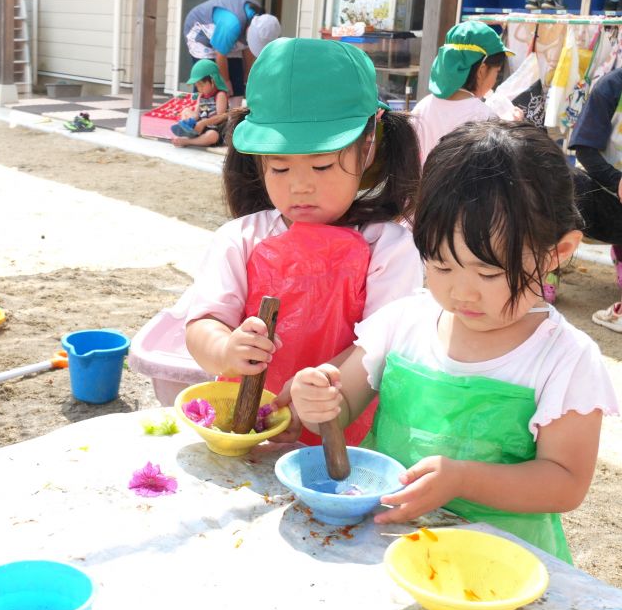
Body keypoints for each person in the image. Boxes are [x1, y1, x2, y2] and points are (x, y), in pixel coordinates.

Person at [288, 120, 618, 563]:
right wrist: (317, 399)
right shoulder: (405, 321)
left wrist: (462, 479)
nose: (462, 292)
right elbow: (340, 404)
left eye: (488, 272)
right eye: (441, 265)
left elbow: (565, 482)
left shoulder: (565, 358)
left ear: (558, 251)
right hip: (393, 548)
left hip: (501, 568)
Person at [183, 38, 423, 446]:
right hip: (248, 434)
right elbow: (201, 325)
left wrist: (317, 393)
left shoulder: (390, 247)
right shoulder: (241, 238)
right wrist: (225, 348)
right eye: (279, 166)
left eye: (322, 164)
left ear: (368, 147)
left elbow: (382, 347)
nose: (300, 186)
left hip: (347, 438)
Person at [410, 20, 514, 164]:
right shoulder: (485, 117)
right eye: (497, 72)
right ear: (482, 70)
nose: (495, 80)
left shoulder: (422, 107)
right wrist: (509, 129)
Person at [568, 65, 622, 332]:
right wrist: (617, 180)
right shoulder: (610, 87)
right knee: (566, 183)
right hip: (606, 193)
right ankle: (548, 272)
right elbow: (585, 150)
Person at [183, 0, 281, 96]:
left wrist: (247, 77)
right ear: (250, 31)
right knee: (209, 79)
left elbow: (248, 48)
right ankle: (202, 107)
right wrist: (225, 83)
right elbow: (220, 55)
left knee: (237, 78)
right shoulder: (232, 25)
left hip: (227, 30)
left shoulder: (260, 17)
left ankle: (232, 106)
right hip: (200, 30)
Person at [170, 58, 229, 149]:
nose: (199, 89)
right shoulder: (201, 96)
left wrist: (203, 123)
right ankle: (188, 131)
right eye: (197, 86)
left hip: (216, 130)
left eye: (201, 85)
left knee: (212, 135)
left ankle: (188, 141)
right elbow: (197, 115)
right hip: (201, 127)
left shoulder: (220, 95)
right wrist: (188, 120)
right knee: (186, 111)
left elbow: (221, 116)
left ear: (212, 82)